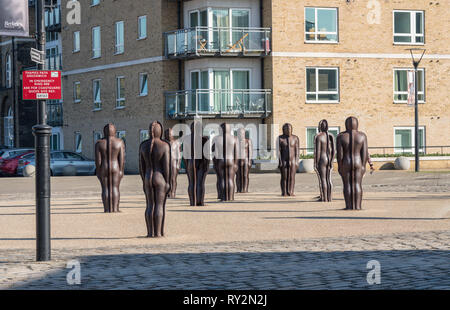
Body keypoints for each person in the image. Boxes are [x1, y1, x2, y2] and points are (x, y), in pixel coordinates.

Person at [139, 121, 171, 237]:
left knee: (149, 205)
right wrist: (168, 182)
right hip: (160, 177)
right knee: (159, 206)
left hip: (148, 176)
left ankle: (149, 232)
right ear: (160, 131)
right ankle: (158, 232)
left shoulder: (143, 145)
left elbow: (141, 167)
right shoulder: (164, 145)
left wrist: (144, 180)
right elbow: (166, 167)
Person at [336, 116, 369, 210]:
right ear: (356, 124)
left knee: (347, 184)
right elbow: (364, 153)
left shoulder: (341, 136)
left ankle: (349, 206)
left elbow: (339, 154)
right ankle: (357, 206)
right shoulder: (362, 136)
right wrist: (363, 166)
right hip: (358, 161)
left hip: (346, 161)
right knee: (357, 184)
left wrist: (340, 166)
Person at [95, 124, 125, 213]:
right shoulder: (119, 142)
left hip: (104, 166)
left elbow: (98, 160)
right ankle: (115, 208)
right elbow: (122, 159)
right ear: (114, 131)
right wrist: (121, 170)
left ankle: (107, 208)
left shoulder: (99, 143)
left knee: (105, 188)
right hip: (115, 166)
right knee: (115, 188)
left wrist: (98, 170)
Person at [182, 121, 210, 206]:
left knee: (191, 182)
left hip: (190, 161)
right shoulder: (205, 139)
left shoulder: (186, 139)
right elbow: (207, 154)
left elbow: (185, 155)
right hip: (201, 162)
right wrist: (207, 166)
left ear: (191, 129)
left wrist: (187, 166)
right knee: (200, 182)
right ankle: (200, 202)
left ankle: (192, 202)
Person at [212, 123, 238, 201]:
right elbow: (236, 153)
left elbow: (213, 152)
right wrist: (235, 164)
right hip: (230, 160)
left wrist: (215, 163)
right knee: (230, 179)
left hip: (220, 160)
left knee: (221, 179)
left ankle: (223, 197)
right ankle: (230, 197)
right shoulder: (234, 138)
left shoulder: (216, 138)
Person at [314, 119, 335, 202]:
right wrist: (331, 160)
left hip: (322, 159)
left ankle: (324, 197)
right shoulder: (330, 136)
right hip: (329, 158)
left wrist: (315, 163)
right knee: (328, 179)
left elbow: (317, 151)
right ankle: (329, 197)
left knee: (322, 179)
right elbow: (334, 150)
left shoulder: (318, 136)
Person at [277, 123, 300, 196]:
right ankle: (284, 192)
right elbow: (278, 151)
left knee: (292, 177)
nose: (289, 130)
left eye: (290, 129)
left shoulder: (295, 138)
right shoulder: (280, 138)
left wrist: (296, 161)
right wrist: (280, 161)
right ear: (284, 130)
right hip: (284, 160)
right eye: (287, 129)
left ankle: (291, 191)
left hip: (293, 161)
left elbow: (297, 151)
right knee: (284, 177)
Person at [164, 128, 181, 198]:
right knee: (166, 179)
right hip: (165, 163)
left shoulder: (176, 143)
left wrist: (178, 165)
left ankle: (173, 192)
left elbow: (179, 156)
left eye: (170, 134)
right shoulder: (163, 142)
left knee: (173, 179)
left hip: (173, 163)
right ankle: (167, 192)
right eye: (167, 134)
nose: (168, 135)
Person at [236, 128, 253, 193]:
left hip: (245, 159)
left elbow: (250, 152)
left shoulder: (248, 141)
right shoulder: (236, 141)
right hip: (237, 160)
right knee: (238, 176)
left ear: (244, 133)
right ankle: (239, 189)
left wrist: (249, 161)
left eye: (242, 133)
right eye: (239, 133)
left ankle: (245, 189)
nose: (241, 134)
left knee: (245, 175)